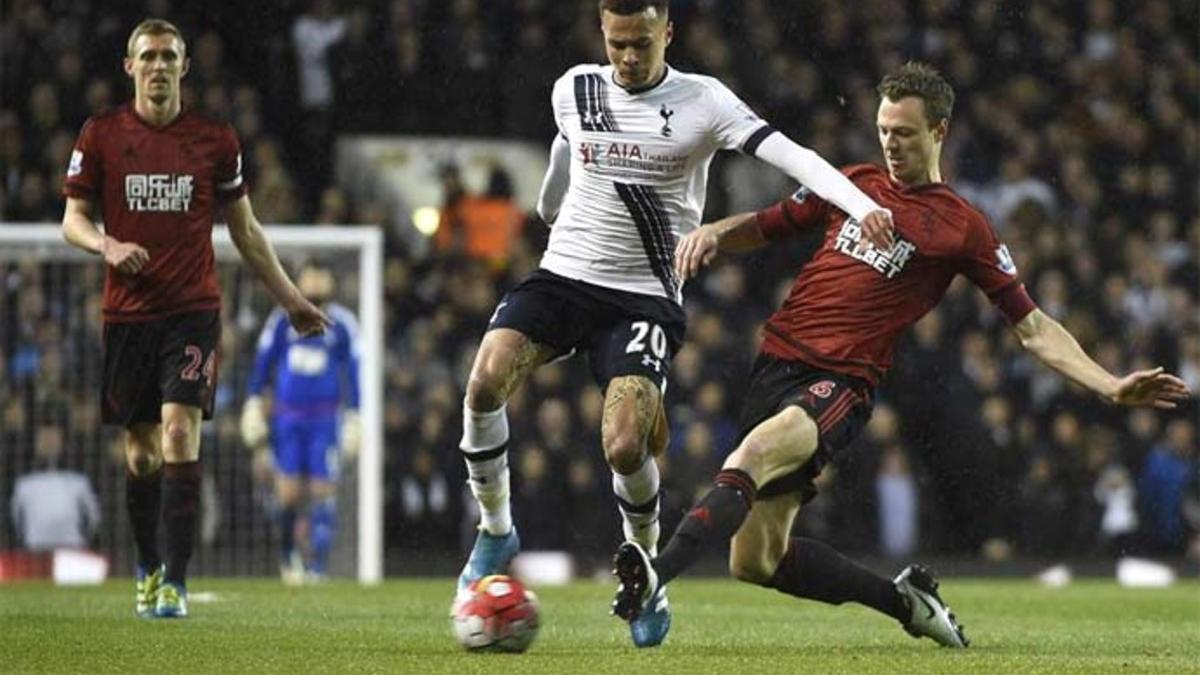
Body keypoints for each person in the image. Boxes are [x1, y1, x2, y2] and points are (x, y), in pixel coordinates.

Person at [611, 61, 1192, 648]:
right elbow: (766, 225)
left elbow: (1034, 326)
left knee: (754, 452)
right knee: (756, 561)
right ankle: (904, 600)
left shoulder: (961, 227)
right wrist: (714, 232)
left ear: (939, 131)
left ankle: (656, 573)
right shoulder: (851, 182)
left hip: (840, 382)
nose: (891, 143)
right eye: (885, 130)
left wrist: (1109, 383)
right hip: (776, 363)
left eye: (905, 132)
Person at [454, 0, 893, 649]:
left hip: (642, 296)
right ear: (602, 34)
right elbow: (564, 145)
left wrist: (861, 204)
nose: (628, 59)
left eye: (641, 44)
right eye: (616, 44)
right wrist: (549, 205)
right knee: (486, 377)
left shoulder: (704, 101)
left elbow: (792, 156)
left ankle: (646, 570)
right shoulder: (575, 87)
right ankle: (496, 530)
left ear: (668, 32)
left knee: (626, 442)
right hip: (565, 274)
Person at [60, 19, 328, 618]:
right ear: (130, 67)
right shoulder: (101, 134)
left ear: (184, 67)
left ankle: (175, 583)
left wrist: (290, 298)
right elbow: (72, 218)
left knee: (179, 432)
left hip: (192, 312)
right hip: (127, 314)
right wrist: (107, 245)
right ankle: (149, 564)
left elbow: (247, 232)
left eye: (169, 57)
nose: (159, 66)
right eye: (148, 56)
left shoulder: (214, 140)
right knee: (141, 454)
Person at [240, 260, 361, 584]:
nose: (316, 283)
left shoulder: (343, 324)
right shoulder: (281, 321)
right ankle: (288, 558)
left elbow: (354, 370)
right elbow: (264, 363)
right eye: (311, 276)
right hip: (288, 418)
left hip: (325, 419)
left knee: (323, 489)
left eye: (321, 276)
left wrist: (355, 414)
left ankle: (318, 567)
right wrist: (253, 401)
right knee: (289, 492)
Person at [10, 424, 101, 552]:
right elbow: (15, 517)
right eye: (44, 438)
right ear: (35, 443)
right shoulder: (23, 482)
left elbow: (93, 515)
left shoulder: (79, 480)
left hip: (72, 546)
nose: (49, 443)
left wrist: (86, 540)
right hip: (34, 547)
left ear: (63, 442)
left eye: (54, 438)